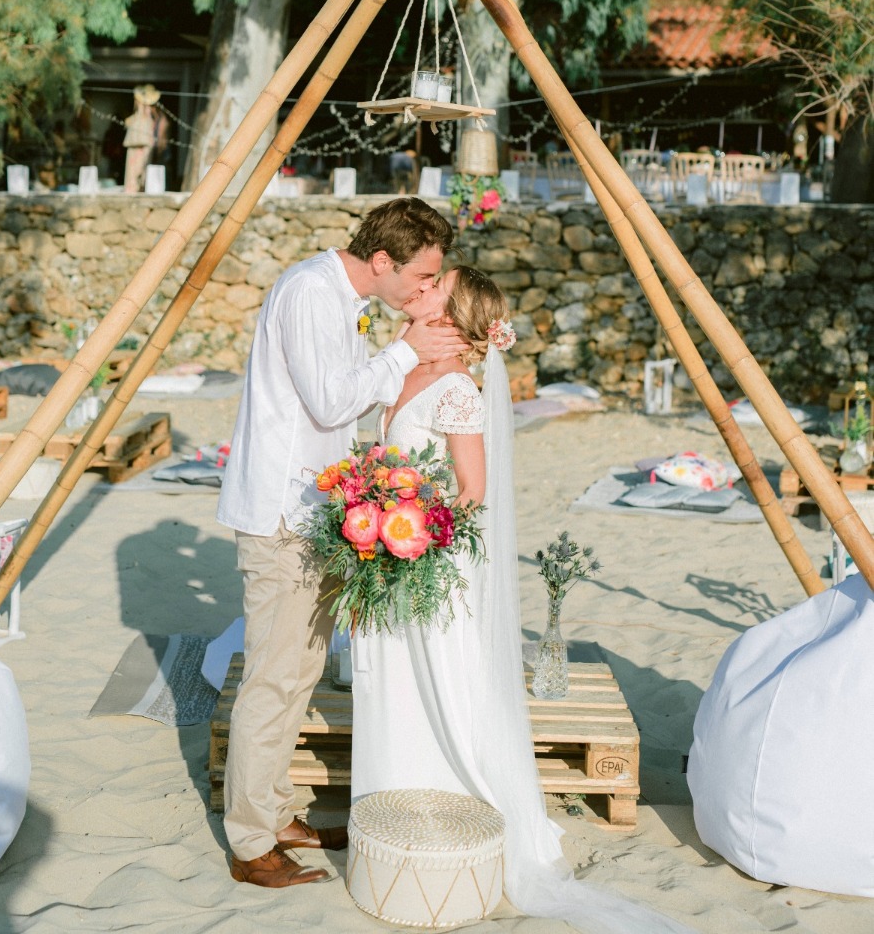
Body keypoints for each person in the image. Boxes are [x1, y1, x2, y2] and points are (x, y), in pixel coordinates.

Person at [352, 265, 696, 934]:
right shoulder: (401, 371)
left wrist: (410, 532)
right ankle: (393, 801)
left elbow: (472, 495)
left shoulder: (456, 390)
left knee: (439, 686)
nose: (418, 291)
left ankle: (454, 804)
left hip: (428, 566)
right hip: (389, 554)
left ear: (452, 320)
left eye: (433, 289)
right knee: (392, 687)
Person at [217, 198, 467, 890]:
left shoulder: (343, 298)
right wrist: (408, 351)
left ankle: (274, 812)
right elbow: (331, 402)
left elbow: (345, 404)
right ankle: (248, 842)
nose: (423, 290)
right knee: (273, 680)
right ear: (382, 261)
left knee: (298, 674)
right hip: (279, 516)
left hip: (314, 507)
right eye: (419, 277)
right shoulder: (308, 293)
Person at [123, 85, 169, 193]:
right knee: (134, 172)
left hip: (145, 143)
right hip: (139, 143)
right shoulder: (142, 113)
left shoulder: (154, 114)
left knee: (143, 171)